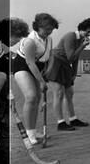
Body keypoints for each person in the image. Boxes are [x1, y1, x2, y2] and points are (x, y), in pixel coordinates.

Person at [12, 13, 58, 144]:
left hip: (38, 67)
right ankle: (28, 134)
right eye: (46, 29)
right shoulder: (30, 41)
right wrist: (42, 82)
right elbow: (30, 63)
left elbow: (50, 56)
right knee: (31, 97)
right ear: (38, 27)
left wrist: (47, 72)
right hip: (23, 66)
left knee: (37, 98)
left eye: (51, 29)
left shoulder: (49, 39)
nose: (49, 32)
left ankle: (33, 131)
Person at [45, 18, 90, 131]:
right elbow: (70, 56)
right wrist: (82, 46)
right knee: (58, 93)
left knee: (69, 93)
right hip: (56, 63)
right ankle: (61, 123)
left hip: (65, 65)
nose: (89, 34)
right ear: (81, 29)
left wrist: (74, 73)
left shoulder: (80, 39)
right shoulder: (71, 36)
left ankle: (73, 119)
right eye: (87, 32)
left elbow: (76, 58)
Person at [0, 18, 29, 148]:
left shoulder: (21, 46)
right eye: (14, 36)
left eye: (19, 37)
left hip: (11, 72)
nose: (17, 39)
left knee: (2, 98)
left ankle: (1, 126)